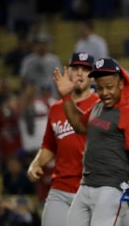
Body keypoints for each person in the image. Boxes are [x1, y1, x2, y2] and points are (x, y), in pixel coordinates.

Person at [53, 57, 129, 225]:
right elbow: (79, 125)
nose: (104, 93)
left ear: (120, 84)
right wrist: (67, 96)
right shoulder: (98, 106)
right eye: (99, 88)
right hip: (86, 185)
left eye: (109, 87)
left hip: (112, 188)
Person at [26, 52, 99, 226]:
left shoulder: (101, 105)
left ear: (93, 76)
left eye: (86, 69)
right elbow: (49, 145)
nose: (80, 73)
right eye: (75, 68)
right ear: (68, 72)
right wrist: (36, 163)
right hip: (60, 188)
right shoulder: (56, 109)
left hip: (91, 190)